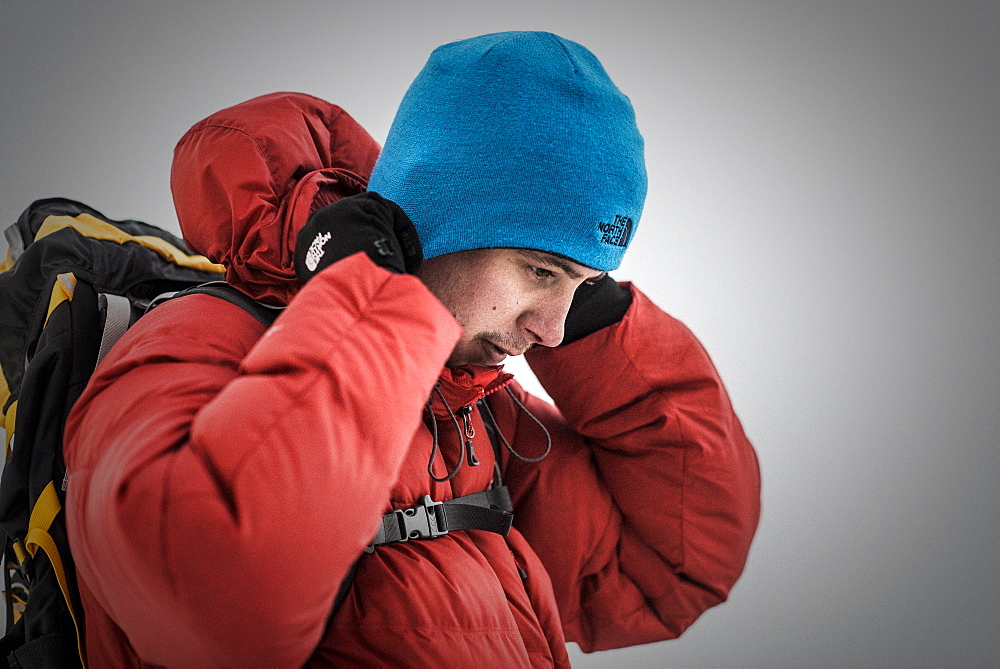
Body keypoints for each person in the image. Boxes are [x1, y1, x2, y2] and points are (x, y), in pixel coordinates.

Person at [64, 31, 760, 666]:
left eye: (582, 285)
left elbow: (673, 566)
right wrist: (367, 298)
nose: (549, 328)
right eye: (540, 271)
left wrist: (600, 330)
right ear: (435, 226)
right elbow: (215, 609)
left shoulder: (473, 411)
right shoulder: (195, 341)